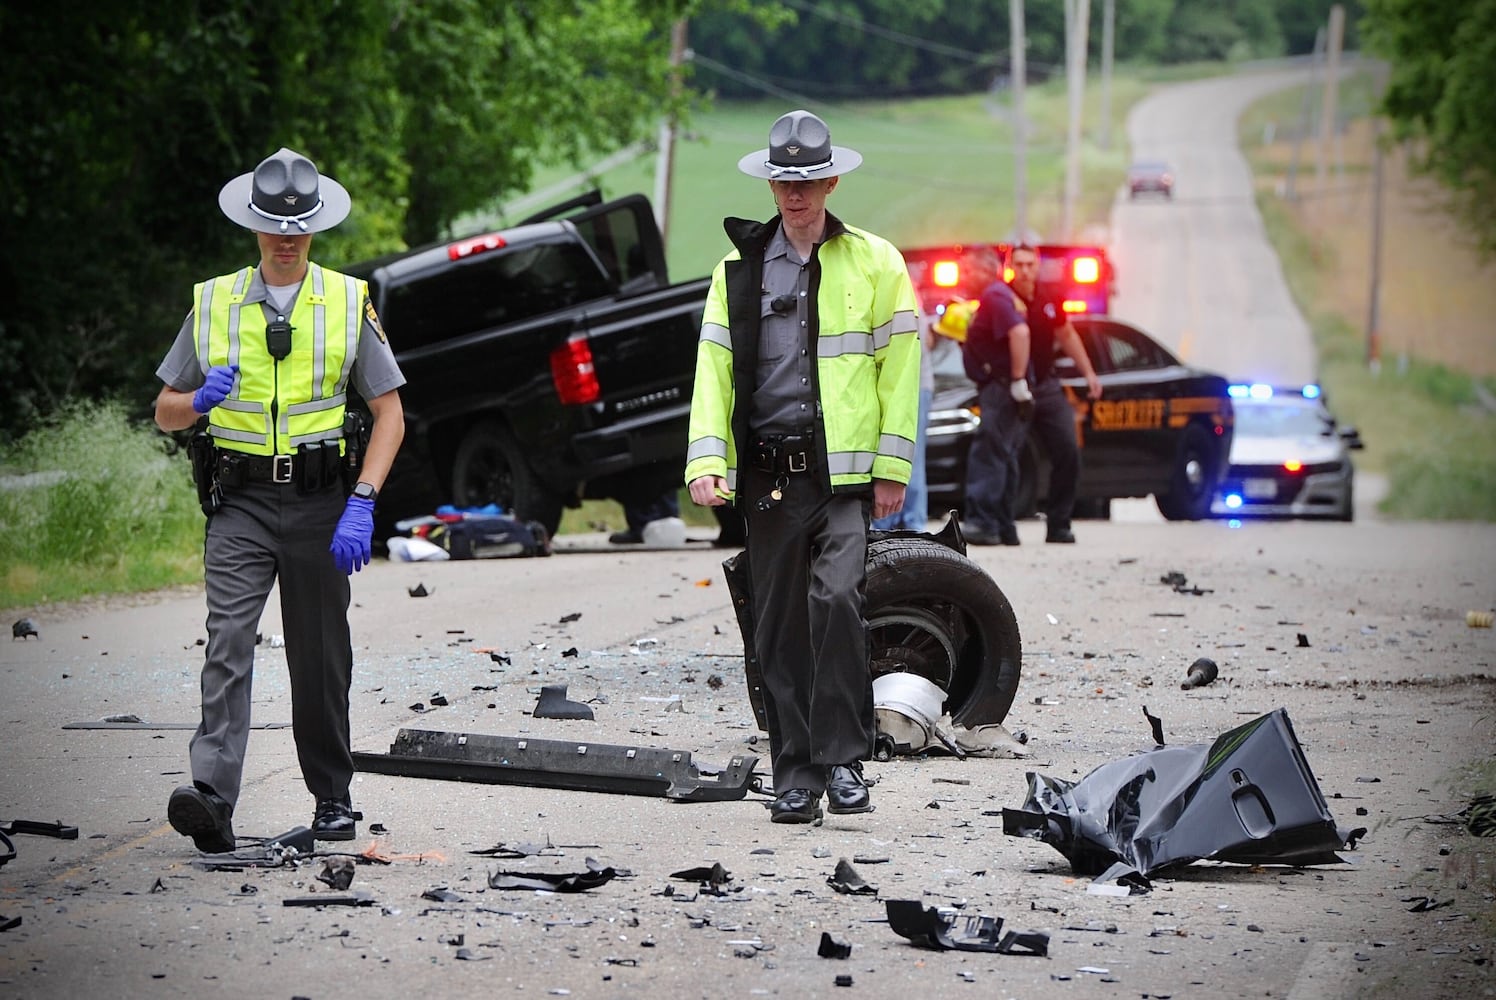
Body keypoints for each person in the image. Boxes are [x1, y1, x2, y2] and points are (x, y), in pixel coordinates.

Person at [153, 148, 406, 853]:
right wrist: (196, 400)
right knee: (227, 642)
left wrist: (363, 499)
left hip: (325, 504)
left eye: (297, 227)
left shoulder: (348, 301)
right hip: (239, 504)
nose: (285, 239)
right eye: (272, 226)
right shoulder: (212, 302)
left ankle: (332, 797)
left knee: (321, 654)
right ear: (253, 226)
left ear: (315, 226)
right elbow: (165, 410)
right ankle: (212, 798)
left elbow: (389, 414)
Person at [685, 110, 921, 824]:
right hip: (767, 477)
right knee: (779, 626)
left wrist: (892, 466)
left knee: (837, 601)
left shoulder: (876, 261)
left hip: (843, 478)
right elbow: (715, 371)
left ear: (831, 179)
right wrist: (705, 459)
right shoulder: (737, 274)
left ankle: (845, 760)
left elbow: (901, 368)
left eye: (809, 179)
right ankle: (796, 774)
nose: (797, 192)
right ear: (771, 182)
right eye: (785, 179)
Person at [960, 245, 1100, 545]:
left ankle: (1059, 523)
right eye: (1019, 264)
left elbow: (1066, 334)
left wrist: (1088, 372)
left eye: (1030, 265)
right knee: (1004, 452)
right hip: (1013, 384)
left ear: (1038, 267)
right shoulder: (1005, 295)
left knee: (1066, 449)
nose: (1025, 270)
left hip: (1039, 383)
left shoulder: (1044, 297)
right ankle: (1001, 525)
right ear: (1010, 267)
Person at [871, 287, 933, 532]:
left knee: (908, 457)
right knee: (905, 455)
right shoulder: (903, 292)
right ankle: (898, 523)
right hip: (903, 385)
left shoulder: (901, 292)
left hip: (913, 387)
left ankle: (909, 525)